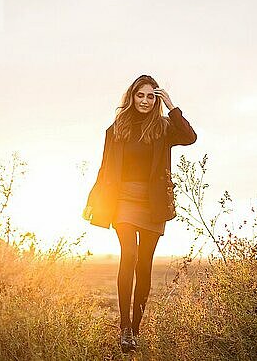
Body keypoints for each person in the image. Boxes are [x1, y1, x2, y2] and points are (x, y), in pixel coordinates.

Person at [82, 74, 197, 353]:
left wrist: (171, 105)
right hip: (123, 201)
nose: (144, 101)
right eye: (140, 95)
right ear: (131, 97)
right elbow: (105, 167)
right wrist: (93, 199)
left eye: (150, 96)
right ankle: (123, 327)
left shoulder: (164, 127)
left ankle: (135, 329)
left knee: (144, 264)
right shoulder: (116, 129)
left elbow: (190, 138)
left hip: (152, 203)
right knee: (129, 256)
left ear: (155, 99)